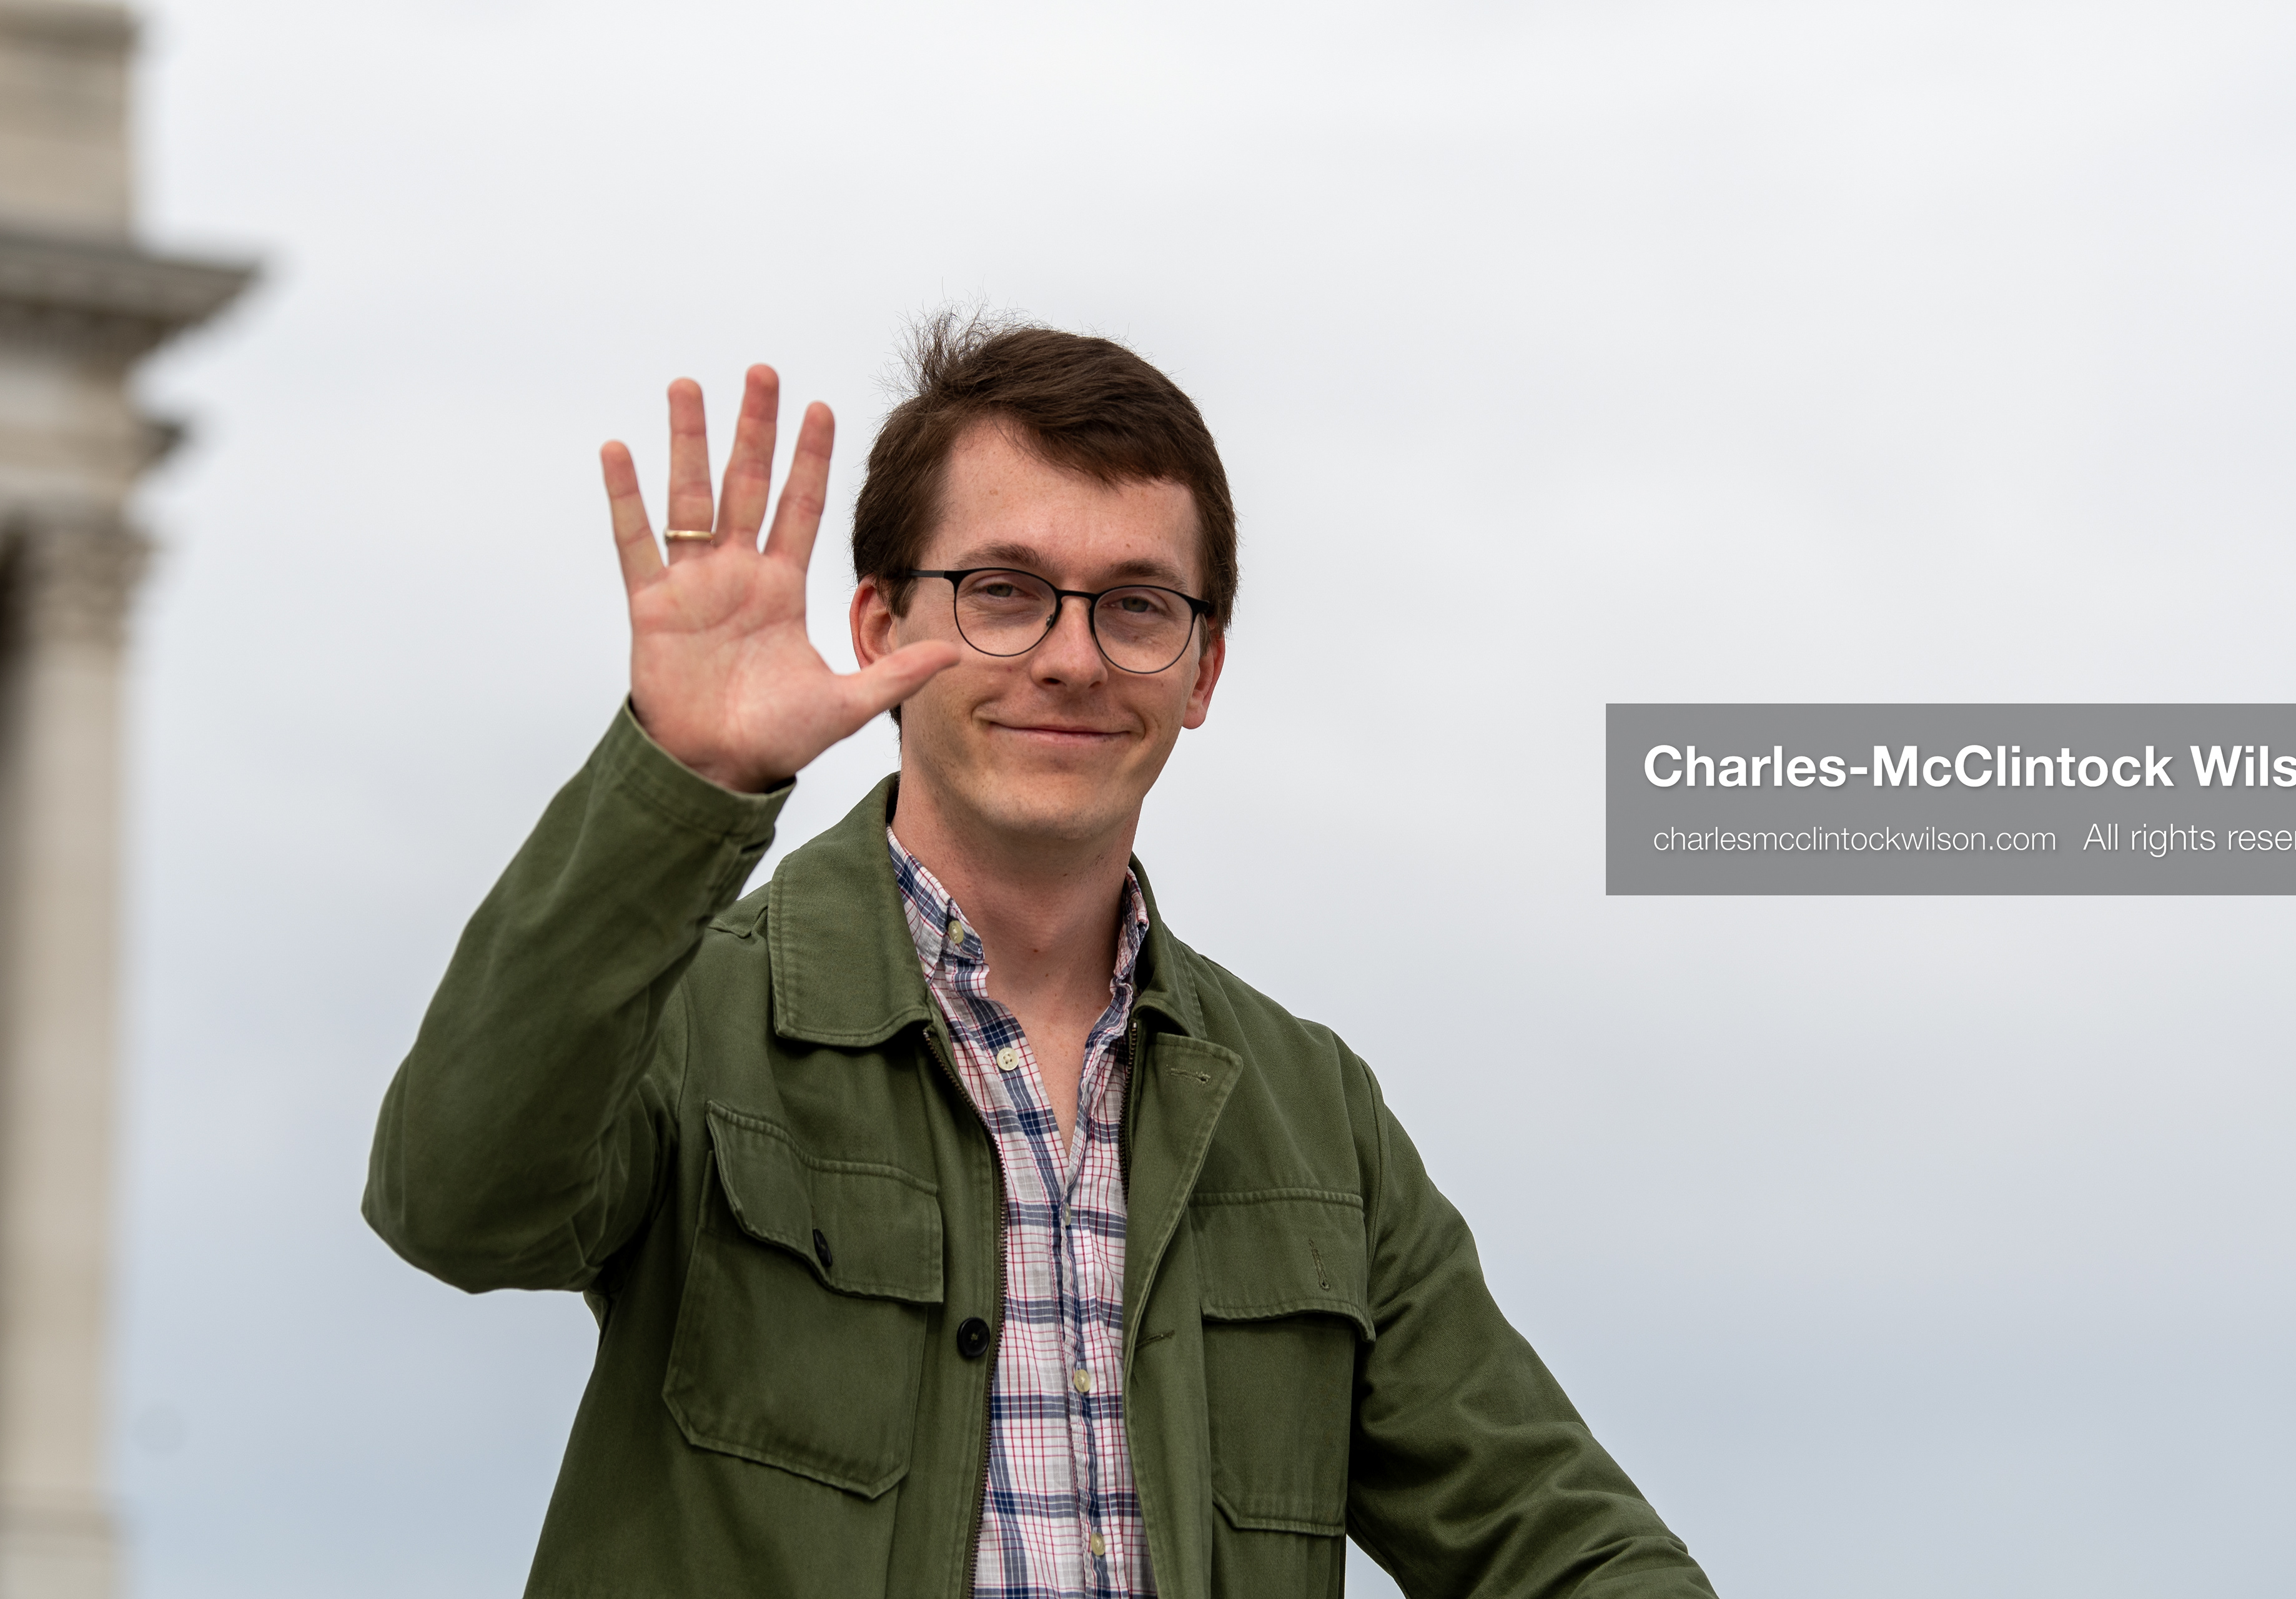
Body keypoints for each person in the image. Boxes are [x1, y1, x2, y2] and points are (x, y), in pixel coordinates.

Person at [365, 319, 1716, 1599]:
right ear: (883, 628)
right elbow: (456, 1201)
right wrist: (683, 782)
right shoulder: (701, 1014)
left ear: (1202, 670)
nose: (1072, 658)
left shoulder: (1314, 1117)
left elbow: (1559, 1542)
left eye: (1137, 605)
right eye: (1004, 593)